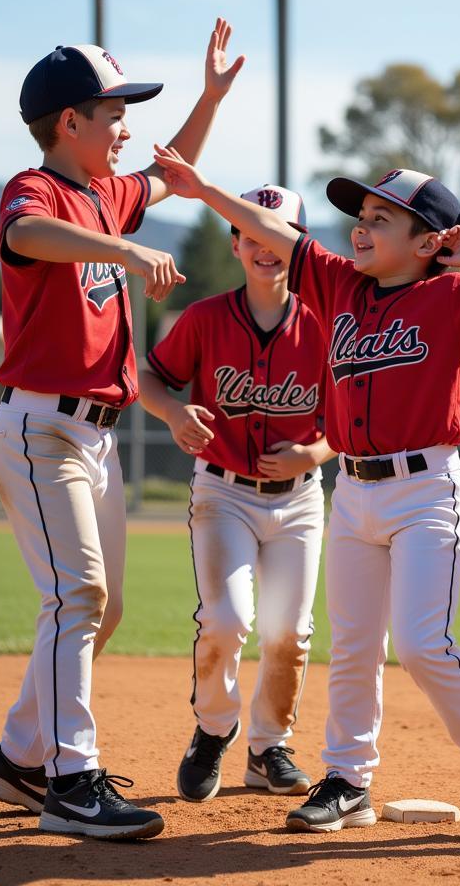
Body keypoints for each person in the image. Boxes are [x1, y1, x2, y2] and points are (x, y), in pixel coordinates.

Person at [153, 145, 460, 842]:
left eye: (382, 218)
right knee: (356, 646)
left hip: (425, 489)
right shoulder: (339, 285)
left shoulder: (454, 297)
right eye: (360, 215)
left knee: (425, 644)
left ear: (429, 243)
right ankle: (347, 780)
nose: (361, 227)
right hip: (353, 493)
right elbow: (279, 235)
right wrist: (205, 188)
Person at [0, 20, 243, 841]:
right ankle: (72, 780)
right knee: (77, 596)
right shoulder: (39, 189)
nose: (125, 126)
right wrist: (122, 250)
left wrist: (211, 99)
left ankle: (18, 756)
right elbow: (23, 236)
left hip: (97, 436)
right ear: (67, 123)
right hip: (40, 428)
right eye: (111, 111)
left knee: (103, 604)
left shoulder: (105, 191)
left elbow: (171, 175)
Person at [138, 185, 333, 805]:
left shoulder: (328, 327)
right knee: (227, 619)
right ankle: (214, 729)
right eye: (252, 233)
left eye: (278, 234)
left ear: (298, 246)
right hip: (223, 493)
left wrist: (315, 452)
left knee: (289, 634)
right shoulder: (203, 319)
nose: (264, 246)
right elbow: (147, 378)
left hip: (300, 498)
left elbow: (353, 421)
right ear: (235, 243)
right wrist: (171, 412)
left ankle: (268, 747)